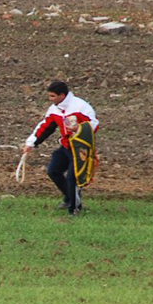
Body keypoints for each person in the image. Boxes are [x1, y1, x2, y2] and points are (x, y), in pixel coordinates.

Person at [23, 81, 99, 216]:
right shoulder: (54, 109)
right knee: (53, 171)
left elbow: (94, 125)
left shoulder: (81, 106)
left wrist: (78, 129)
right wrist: (31, 143)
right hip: (65, 146)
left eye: (52, 96)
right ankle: (70, 197)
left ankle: (74, 209)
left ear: (62, 95)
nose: (50, 99)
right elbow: (45, 127)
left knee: (72, 178)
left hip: (80, 149)